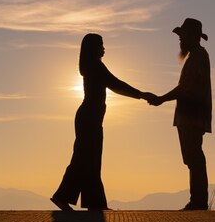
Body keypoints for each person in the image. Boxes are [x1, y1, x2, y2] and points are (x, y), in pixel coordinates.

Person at [51, 33, 156, 211]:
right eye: (101, 45)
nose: (104, 48)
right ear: (93, 48)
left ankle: (94, 203)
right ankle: (64, 197)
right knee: (83, 158)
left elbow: (114, 84)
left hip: (90, 117)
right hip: (89, 117)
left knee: (90, 159)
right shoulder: (95, 66)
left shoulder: (92, 65)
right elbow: (116, 84)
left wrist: (139, 94)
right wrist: (140, 94)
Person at [149, 18, 212, 210]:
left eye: (182, 36)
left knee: (194, 157)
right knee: (192, 157)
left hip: (192, 115)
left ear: (192, 37)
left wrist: (161, 98)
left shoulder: (198, 56)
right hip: (190, 115)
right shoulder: (196, 56)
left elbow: (185, 88)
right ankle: (198, 199)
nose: (180, 40)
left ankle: (198, 201)